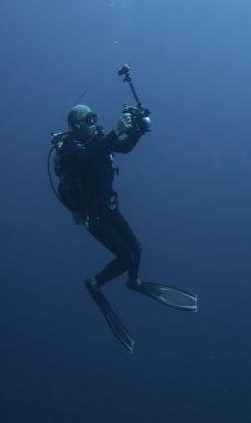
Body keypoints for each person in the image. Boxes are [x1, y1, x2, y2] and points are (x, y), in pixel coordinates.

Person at [52, 103, 197, 352]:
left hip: (109, 207)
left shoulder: (97, 140)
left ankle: (134, 282)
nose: (94, 123)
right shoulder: (69, 150)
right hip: (92, 216)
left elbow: (124, 148)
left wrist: (138, 130)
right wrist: (116, 131)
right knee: (126, 255)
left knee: (137, 250)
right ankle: (94, 283)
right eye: (89, 120)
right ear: (75, 126)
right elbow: (86, 157)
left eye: (94, 118)